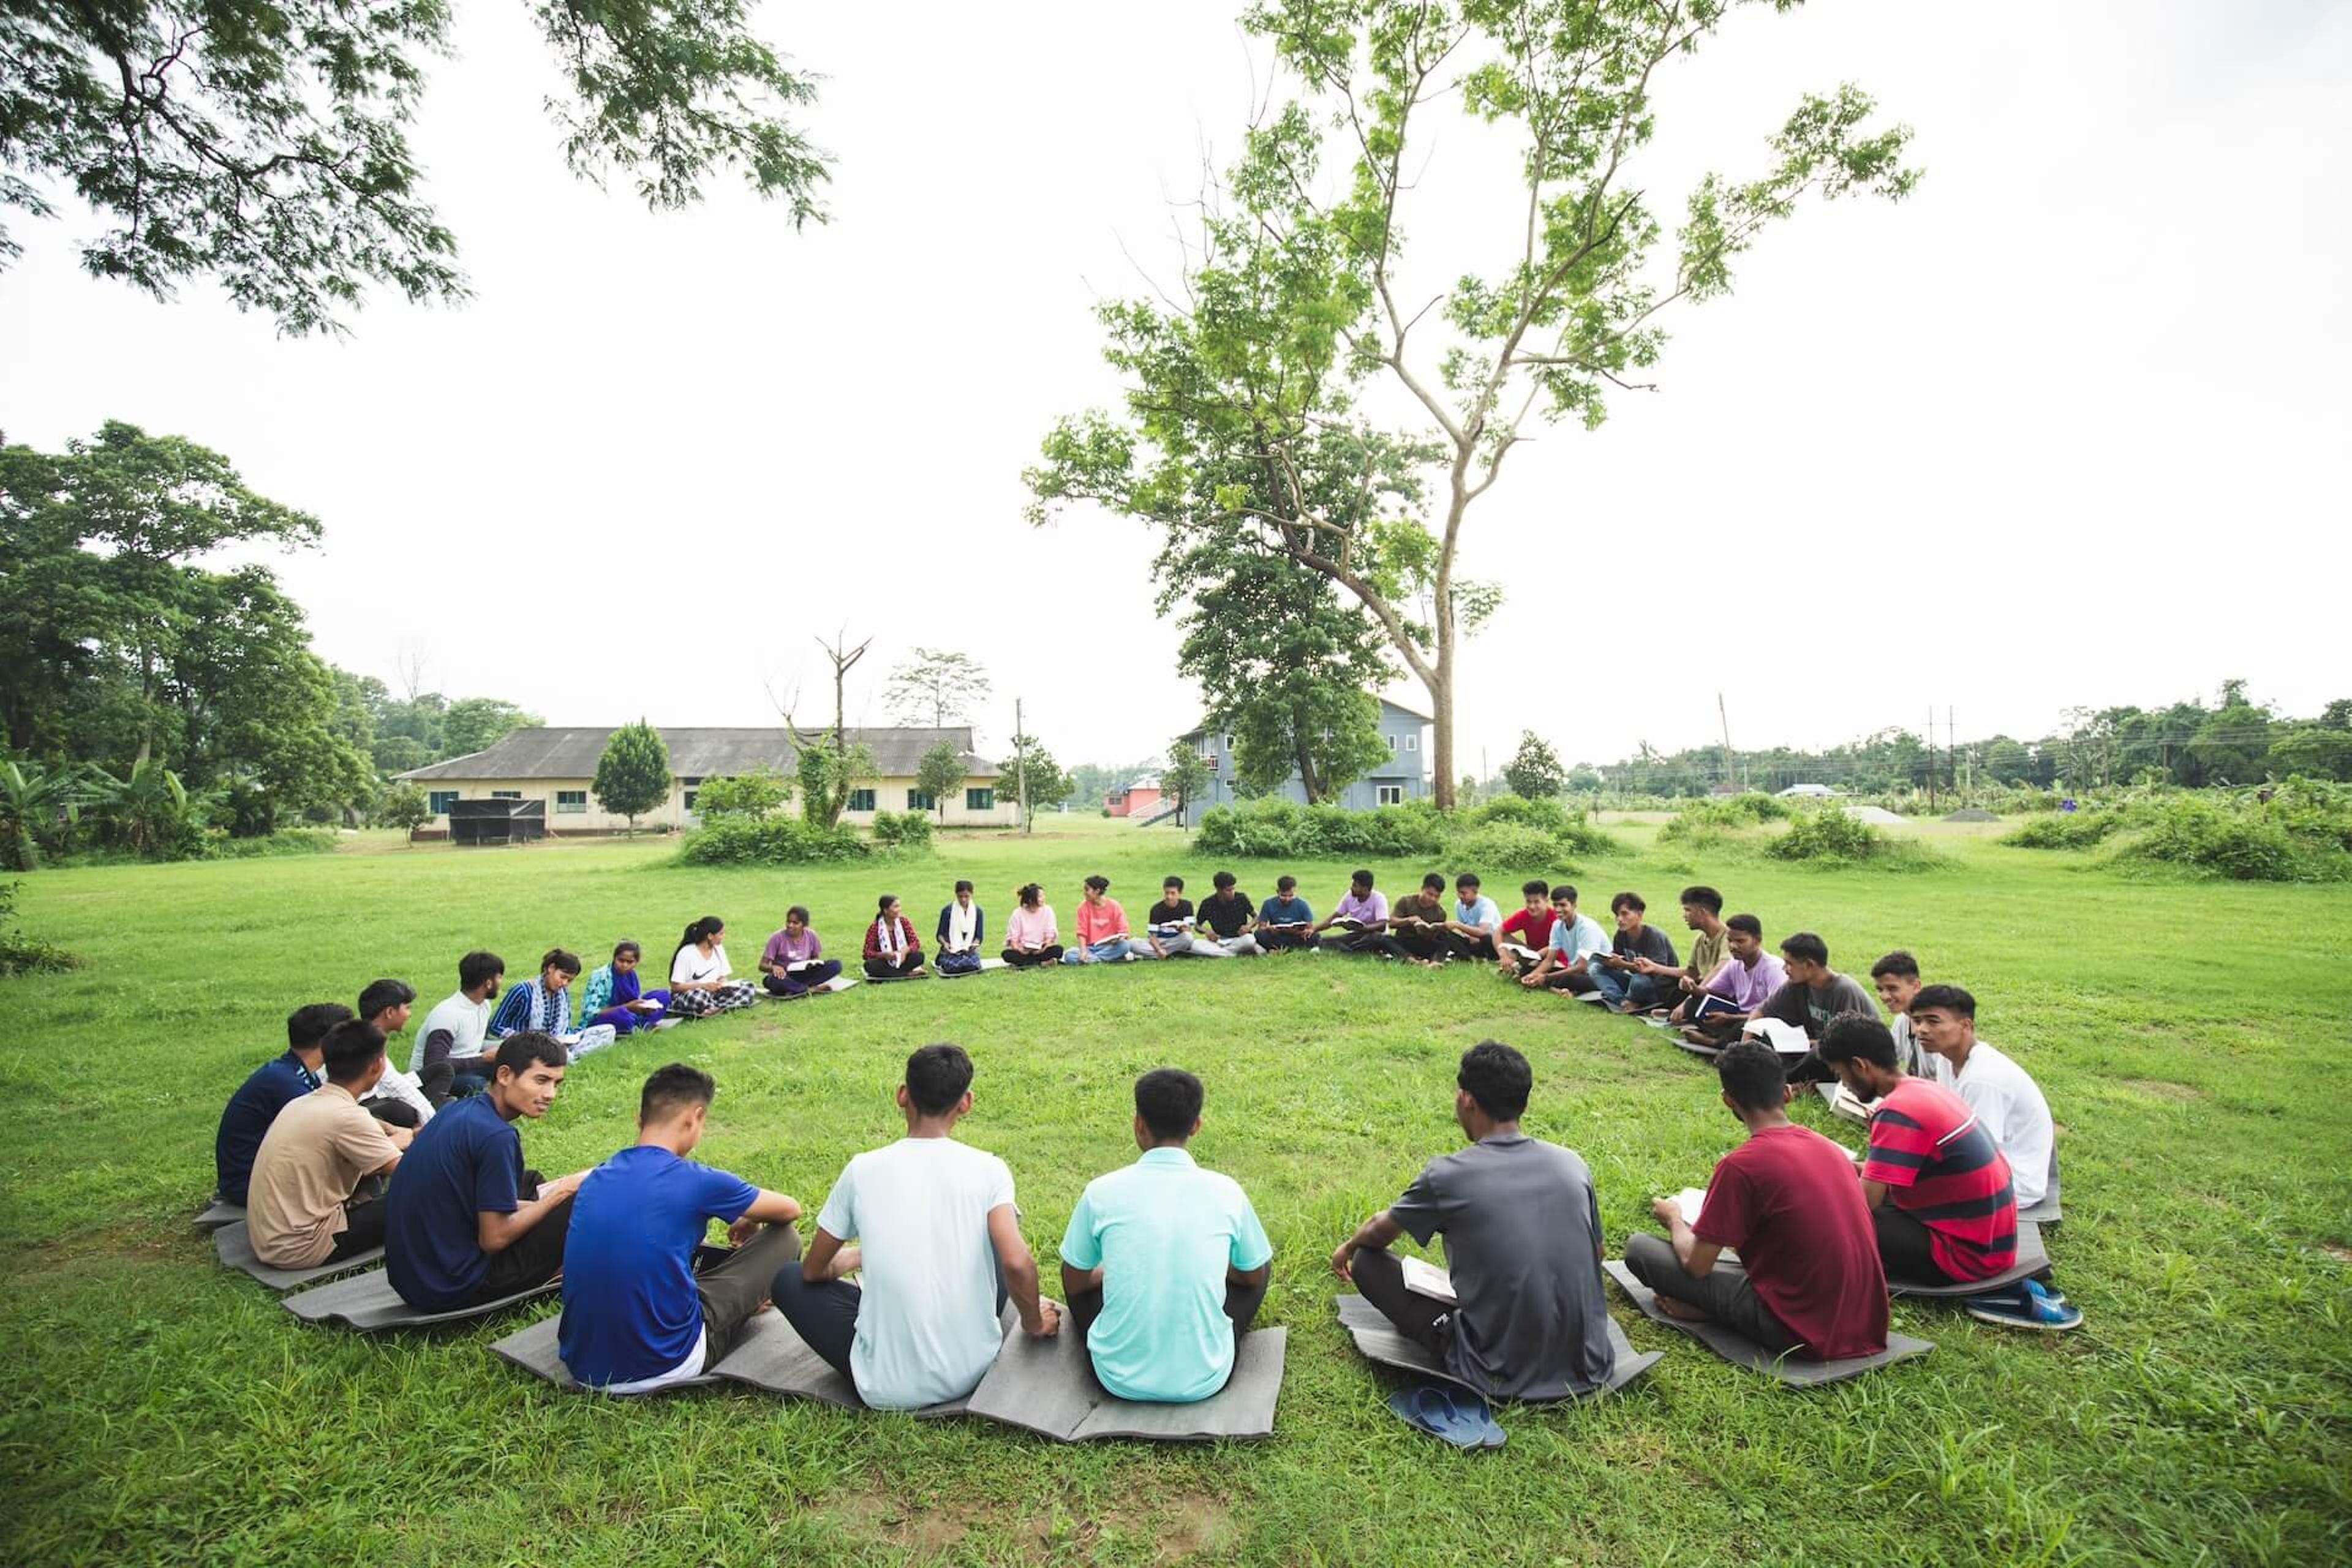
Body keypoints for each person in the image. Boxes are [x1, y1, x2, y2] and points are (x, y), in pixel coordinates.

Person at [774, 1044, 1061, 1408]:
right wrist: (1033, 1323)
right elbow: (1016, 1261)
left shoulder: (863, 1169)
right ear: (966, 1102)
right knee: (995, 1232)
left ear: (902, 1095)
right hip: (975, 1368)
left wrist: (852, 1258)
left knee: (788, 1278)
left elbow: (813, 1272)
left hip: (888, 1386)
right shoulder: (989, 1168)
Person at [1331, 1041, 1616, 1401]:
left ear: (1465, 1099)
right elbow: (1598, 1251)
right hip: (1588, 1361)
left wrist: (1349, 1247)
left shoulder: (1447, 1176)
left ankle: (1461, 1340)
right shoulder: (1572, 1163)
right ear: (1524, 1103)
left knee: (1369, 1263)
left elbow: (1378, 1232)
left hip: (1495, 1369)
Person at [1623, 1042, 1889, 1359]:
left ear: (1728, 1101)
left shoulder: (1741, 1165)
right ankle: (1727, 1309)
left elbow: (1697, 1265)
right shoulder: (1830, 1149)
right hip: (1866, 1321)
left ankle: (1721, 1314)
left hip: (1799, 1329)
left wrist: (1674, 1218)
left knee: (1640, 1249)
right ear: (1788, 1093)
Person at [1817, 1016, 2079, 1330]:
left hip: (1967, 1257)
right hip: (1994, 1242)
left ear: (1860, 1065)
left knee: (1834, 1223)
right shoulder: (1921, 1090)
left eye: (1839, 1073)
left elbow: (1864, 1204)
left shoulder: (1897, 1111)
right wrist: (1840, 1168)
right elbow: (1888, 1174)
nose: (1842, 1082)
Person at [559, 1063, 808, 1393]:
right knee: (785, 1238)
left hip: (581, 1362)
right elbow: (790, 1209)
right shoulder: (698, 1180)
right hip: (666, 1362)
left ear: (640, 1118)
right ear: (695, 1118)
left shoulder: (597, 1177)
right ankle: (747, 1306)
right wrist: (747, 1218)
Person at [1061, 1069, 1273, 1401]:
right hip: (1206, 1377)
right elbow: (1251, 1277)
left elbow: (1074, 1284)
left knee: (1075, 1269)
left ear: (1138, 1125)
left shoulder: (1100, 1192)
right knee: (1258, 1263)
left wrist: (1111, 1271)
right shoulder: (1227, 1191)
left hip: (1115, 1376)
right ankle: (1209, 1345)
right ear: (1196, 1125)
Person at [385, 1032, 587, 1312]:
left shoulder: (457, 1109)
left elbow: (459, 1197)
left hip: (411, 1278)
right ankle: (563, 1268)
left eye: (556, 1083)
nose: (550, 1094)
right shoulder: (497, 1136)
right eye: (541, 1080)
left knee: (532, 1183)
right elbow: (493, 1240)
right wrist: (561, 1196)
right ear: (504, 1075)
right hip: (452, 1286)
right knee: (577, 1201)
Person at [246, 1020, 412, 1269]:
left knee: (372, 1169)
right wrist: (405, 1140)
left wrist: (401, 1136)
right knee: (420, 1198)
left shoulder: (302, 1103)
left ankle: (358, 1206)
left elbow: (368, 1129)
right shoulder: (348, 1117)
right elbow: (414, 1172)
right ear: (377, 1065)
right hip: (302, 1246)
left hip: (269, 1237)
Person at [1912, 986, 2059, 1213]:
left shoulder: (1983, 1079)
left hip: (2012, 1185)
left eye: (1933, 1021)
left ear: (1966, 1026)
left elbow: (1978, 1156)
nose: (1921, 1029)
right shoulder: (1946, 1059)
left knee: (1905, 1190)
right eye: (1917, 1021)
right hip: (1985, 1166)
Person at [214, 1003, 351, 1206]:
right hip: (248, 1184)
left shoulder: (294, 1070)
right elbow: (331, 1134)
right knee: (353, 1157)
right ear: (328, 1041)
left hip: (255, 1174)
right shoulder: (288, 1083)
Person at [1751, 933, 1880, 1081]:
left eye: (1789, 964)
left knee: (1818, 1053)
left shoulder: (1844, 990)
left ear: (1810, 965)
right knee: (1765, 1037)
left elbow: (1848, 1043)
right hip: (1810, 1045)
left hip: (1849, 1056)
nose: (1784, 969)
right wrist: (1745, 1048)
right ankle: (1781, 1075)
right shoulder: (1796, 984)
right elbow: (1761, 1011)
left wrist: (1811, 1044)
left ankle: (1781, 1080)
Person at [1672, 914, 1785, 1046]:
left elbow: (1775, 1013)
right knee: (1694, 1004)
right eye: (1730, 940)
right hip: (1738, 1014)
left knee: (1748, 1027)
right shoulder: (1734, 963)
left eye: (1740, 941)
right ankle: (1723, 1037)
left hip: (1761, 1020)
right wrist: (1693, 988)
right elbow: (1711, 992)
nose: (1733, 946)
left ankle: (1712, 1041)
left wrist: (1729, 1018)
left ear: (1757, 941)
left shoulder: (1773, 968)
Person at [415, 952, 504, 1102]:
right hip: (434, 1077)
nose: (501, 982)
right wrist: (482, 1059)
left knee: (513, 1066)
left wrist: (510, 1044)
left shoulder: (483, 1005)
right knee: (477, 1086)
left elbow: (474, 1044)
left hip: (467, 1067)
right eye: (499, 977)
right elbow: (435, 1064)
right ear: (488, 983)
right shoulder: (448, 1015)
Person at [356, 978, 433, 1127]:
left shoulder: (366, 1035)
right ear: (390, 1012)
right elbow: (395, 1085)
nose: (409, 1014)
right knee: (402, 1110)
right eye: (407, 1008)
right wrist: (432, 1123)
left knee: (441, 1071)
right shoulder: (369, 1043)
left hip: (379, 1093)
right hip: (363, 1104)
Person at [1588, 892, 1681, 1012]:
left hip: (1657, 986)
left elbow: (1656, 972)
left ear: (1639, 914)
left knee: (1638, 982)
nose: (1619, 919)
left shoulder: (1654, 936)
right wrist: (1610, 963)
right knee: (1596, 968)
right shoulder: (1621, 935)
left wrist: (1622, 964)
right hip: (1634, 980)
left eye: (1625, 914)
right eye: (1617, 915)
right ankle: (1624, 1002)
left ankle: (1629, 1000)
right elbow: (1620, 964)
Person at [1643, 886, 1728, 1006]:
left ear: (1702, 913)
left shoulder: (1729, 937)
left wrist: (1691, 998)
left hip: (1721, 991)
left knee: (1693, 1003)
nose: (1684, 916)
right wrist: (1655, 967)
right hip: (1701, 986)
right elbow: (1691, 973)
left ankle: (1684, 1009)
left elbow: (1720, 970)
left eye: (1688, 910)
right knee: (1664, 982)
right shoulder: (1700, 939)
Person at [1520, 884, 1608, 995]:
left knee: (1567, 979)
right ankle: (1557, 989)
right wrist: (1532, 975)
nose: (1558, 910)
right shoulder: (1557, 926)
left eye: (1563, 905)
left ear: (1574, 905)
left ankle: (1557, 988)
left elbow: (1582, 967)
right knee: (1526, 970)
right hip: (1575, 971)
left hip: (1597, 975)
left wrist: (1546, 977)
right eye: (1555, 905)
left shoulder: (1587, 928)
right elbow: (1549, 961)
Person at [668, 918, 759, 1017]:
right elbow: (675, 987)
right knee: (698, 998)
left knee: (749, 986)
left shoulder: (719, 949)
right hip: (693, 993)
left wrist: (723, 985)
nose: (723, 937)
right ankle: (717, 1006)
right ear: (710, 936)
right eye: (721, 934)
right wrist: (703, 986)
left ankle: (712, 1007)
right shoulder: (686, 953)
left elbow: (722, 977)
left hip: (715, 992)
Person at [489, 949, 583, 1039]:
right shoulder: (522, 991)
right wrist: (522, 1040)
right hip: (521, 1048)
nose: (565, 983)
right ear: (551, 968)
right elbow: (495, 1026)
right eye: (563, 977)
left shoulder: (563, 994)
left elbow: (565, 1029)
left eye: (569, 980)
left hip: (553, 1046)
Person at [581, 941, 673, 1033]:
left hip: (631, 1011)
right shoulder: (601, 976)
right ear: (614, 958)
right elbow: (590, 1013)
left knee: (663, 995)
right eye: (621, 960)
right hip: (606, 1016)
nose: (625, 965)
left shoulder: (631, 975)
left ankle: (639, 1024)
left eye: (630, 962)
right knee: (625, 1017)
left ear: (636, 962)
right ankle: (641, 1024)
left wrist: (642, 1007)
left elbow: (634, 1000)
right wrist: (627, 1007)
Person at [1868, 950, 1932, 1076]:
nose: (1884, 996)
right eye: (1880, 990)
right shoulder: (1902, 1021)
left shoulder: (1936, 1027)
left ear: (1916, 986)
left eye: (1892, 988)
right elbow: (1885, 1062)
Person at [760, 907, 844, 997]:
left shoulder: (811, 935)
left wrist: (813, 964)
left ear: (804, 925)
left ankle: (796, 989)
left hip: (804, 974)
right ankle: (809, 989)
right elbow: (762, 965)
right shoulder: (777, 938)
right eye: (788, 922)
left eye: (795, 923)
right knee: (771, 980)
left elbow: (815, 958)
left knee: (836, 965)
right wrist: (774, 968)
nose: (790, 926)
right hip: (784, 976)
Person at [1369, 872, 1450, 964]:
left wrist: (1430, 932)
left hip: (1424, 944)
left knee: (1447, 940)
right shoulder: (1406, 901)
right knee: (1383, 939)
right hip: (1404, 941)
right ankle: (1411, 960)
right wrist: (1408, 920)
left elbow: (1438, 937)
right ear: (1422, 889)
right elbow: (1391, 923)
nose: (1433, 899)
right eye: (1430, 894)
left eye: (1437, 897)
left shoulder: (1440, 912)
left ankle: (1435, 962)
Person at [1062, 875, 1138, 964]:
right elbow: (1081, 933)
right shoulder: (1083, 907)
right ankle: (1109, 959)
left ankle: (1093, 960)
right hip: (1091, 948)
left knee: (1125, 946)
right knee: (1069, 954)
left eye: (1087, 890)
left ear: (1097, 891)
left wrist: (1120, 938)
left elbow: (1124, 931)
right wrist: (1083, 952)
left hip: (1110, 946)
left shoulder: (1114, 906)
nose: (1084, 893)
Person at [1314, 870, 1389, 954]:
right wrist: (1313, 930)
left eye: (1355, 886)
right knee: (1324, 940)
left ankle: (1350, 949)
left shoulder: (1379, 898)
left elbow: (1382, 925)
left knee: (1375, 938)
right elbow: (1334, 917)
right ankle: (1353, 950)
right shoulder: (1350, 896)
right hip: (1357, 935)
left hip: (1373, 935)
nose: (1351, 888)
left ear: (1365, 889)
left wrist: (1363, 928)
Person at [1141, 876, 1216, 959]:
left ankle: (1158, 955)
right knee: (1133, 944)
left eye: (1173, 893)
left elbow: (1188, 930)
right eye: (1167, 893)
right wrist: (1159, 949)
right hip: (1160, 940)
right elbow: (1152, 936)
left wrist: (1181, 928)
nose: (1169, 897)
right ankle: (1171, 953)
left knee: (1188, 938)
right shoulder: (1156, 909)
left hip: (1177, 939)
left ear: (1180, 894)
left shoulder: (1187, 905)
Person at [1193, 871, 1261, 957]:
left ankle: (1220, 954)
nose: (1232, 892)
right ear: (1218, 889)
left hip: (1239, 939)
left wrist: (1249, 926)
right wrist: (1207, 931)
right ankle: (1231, 954)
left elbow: (1256, 916)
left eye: (1233, 889)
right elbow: (1197, 926)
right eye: (1228, 890)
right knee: (1196, 944)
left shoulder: (1241, 898)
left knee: (1250, 940)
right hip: (1218, 941)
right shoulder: (1207, 903)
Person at [1494, 880, 1556, 974]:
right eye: (1528, 902)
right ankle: (1510, 964)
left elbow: (1560, 944)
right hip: (1531, 952)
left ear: (1546, 901)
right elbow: (1498, 931)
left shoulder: (1556, 918)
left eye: (1537, 902)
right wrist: (1503, 955)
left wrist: (1537, 955)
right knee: (1504, 937)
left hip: (1553, 955)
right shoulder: (1523, 915)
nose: (1532, 906)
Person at [1437, 873, 1501, 962]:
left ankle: (1481, 957)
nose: (1460, 896)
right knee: (1444, 934)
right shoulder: (1459, 905)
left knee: (1487, 937)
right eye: (1459, 892)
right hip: (1472, 942)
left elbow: (1483, 932)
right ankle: (1469, 957)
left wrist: (1458, 925)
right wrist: (1469, 935)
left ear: (1475, 892)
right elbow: (1464, 931)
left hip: (1491, 943)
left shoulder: (1487, 905)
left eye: (1464, 893)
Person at [863, 894, 928, 979]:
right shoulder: (875, 927)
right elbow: (867, 953)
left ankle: (894, 974)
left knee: (919, 956)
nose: (899, 909)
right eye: (896, 907)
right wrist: (884, 955)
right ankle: (908, 974)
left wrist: (905, 951)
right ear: (886, 910)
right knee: (869, 966)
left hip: (903, 960)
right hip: (885, 961)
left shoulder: (904, 922)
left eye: (899, 906)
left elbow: (916, 943)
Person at [1000, 883, 1065, 967]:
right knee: (1007, 954)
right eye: (1040, 897)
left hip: (1041, 950)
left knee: (1058, 950)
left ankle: (1025, 964)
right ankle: (1042, 963)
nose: (1043, 898)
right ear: (1031, 900)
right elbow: (1014, 940)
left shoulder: (1048, 911)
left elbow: (1050, 936)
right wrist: (1020, 950)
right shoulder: (1017, 914)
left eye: (1043, 896)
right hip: (1023, 951)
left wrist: (1043, 948)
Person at [1253, 875, 1315, 952]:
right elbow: (1261, 927)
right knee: (1259, 934)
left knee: (1315, 936)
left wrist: (1303, 932)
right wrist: (1269, 929)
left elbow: (1310, 928)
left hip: (1296, 936)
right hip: (1277, 936)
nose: (1287, 899)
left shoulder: (1302, 904)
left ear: (1295, 892)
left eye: (1291, 896)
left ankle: (1279, 950)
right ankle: (1284, 949)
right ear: (1278, 892)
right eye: (1284, 896)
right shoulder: (1268, 904)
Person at [935, 881, 986, 975]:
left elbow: (979, 937)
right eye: (960, 896)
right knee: (953, 968)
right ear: (956, 895)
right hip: (951, 949)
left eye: (967, 896)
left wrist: (974, 944)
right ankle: (943, 959)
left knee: (973, 967)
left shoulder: (978, 912)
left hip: (968, 950)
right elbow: (940, 935)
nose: (963, 900)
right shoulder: (947, 911)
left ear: (972, 894)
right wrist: (945, 944)